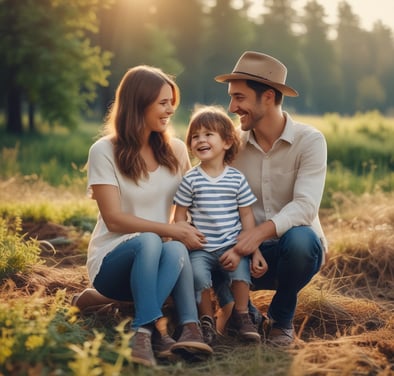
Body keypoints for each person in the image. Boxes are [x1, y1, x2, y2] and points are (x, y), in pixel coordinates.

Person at [84, 65, 213, 367]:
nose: (171, 110)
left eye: (172, 102)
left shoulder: (177, 150)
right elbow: (114, 219)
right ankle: (148, 329)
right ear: (138, 103)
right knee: (153, 240)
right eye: (163, 103)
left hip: (159, 260)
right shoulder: (103, 151)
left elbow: (188, 208)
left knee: (174, 245)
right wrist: (169, 230)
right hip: (112, 260)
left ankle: (179, 329)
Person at [213, 51, 327, 347]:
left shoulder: (310, 141)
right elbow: (212, 202)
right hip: (243, 255)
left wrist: (258, 234)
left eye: (239, 98)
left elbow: (305, 206)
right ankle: (245, 314)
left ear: (267, 97)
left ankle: (281, 318)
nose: (232, 107)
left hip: (294, 254)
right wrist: (245, 244)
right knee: (205, 244)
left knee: (302, 240)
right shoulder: (230, 145)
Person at [173, 105, 268, 345]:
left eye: (208, 134)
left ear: (226, 142)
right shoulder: (191, 178)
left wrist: (247, 249)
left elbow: (247, 217)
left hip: (231, 246)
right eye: (195, 136)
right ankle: (206, 321)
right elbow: (179, 214)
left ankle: (243, 315)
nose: (200, 140)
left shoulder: (236, 178)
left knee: (241, 272)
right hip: (201, 249)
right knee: (197, 276)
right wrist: (186, 235)